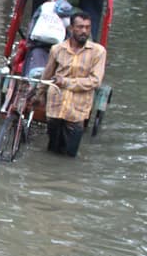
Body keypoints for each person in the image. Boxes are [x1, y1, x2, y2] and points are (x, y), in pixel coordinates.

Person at [41, 11, 107, 157]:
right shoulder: (57, 49)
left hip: (77, 110)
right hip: (56, 107)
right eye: (80, 27)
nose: (84, 31)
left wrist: (65, 82)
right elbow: (47, 75)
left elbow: (95, 81)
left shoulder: (98, 52)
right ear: (71, 28)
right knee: (51, 150)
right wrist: (38, 93)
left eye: (87, 27)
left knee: (70, 154)